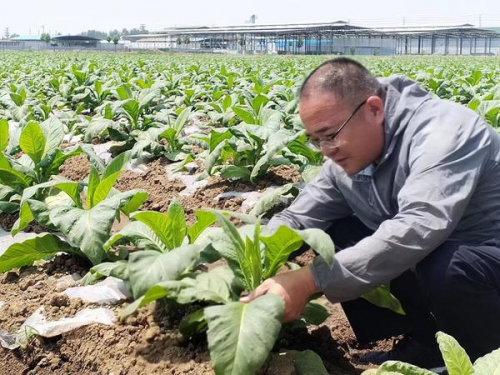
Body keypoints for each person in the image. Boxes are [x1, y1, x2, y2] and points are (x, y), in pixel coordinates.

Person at [240, 57, 500, 368]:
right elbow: (297, 219)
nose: (326, 150)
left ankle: (486, 355)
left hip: (486, 251)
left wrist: (310, 280)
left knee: (449, 267)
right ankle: (426, 342)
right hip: (433, 254)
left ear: (374, 110)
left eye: (331, 135)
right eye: (316, 140)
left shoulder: (443, 132)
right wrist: (237, 254)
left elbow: (417, 227)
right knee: (335, 234)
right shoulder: (349, 151)